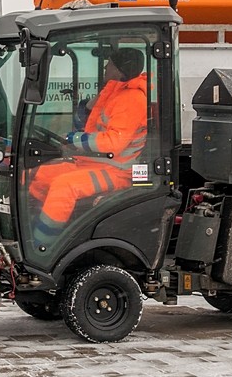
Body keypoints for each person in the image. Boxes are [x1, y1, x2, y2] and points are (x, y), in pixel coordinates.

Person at [28, 48, 148, 244]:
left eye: (108, 64)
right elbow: (89, 123)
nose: (104, 67)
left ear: (118, 69)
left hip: (116, 170)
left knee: (64, 186)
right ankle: (33, 231)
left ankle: (42, 245)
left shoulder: (132, 99)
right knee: (37, 175)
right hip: (93, 162)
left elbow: (113, 142)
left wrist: (75, 140)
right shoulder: (114, 93)